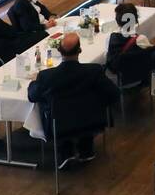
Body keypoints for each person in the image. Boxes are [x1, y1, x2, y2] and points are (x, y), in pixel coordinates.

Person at [27, 31, 119, 168]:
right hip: (91, 121)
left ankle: (66, 151)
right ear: (80, 51)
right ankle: (86, 148)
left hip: (59, 125)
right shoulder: (93, 71)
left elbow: (32, 96)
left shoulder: (47, 76)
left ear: (59, 51)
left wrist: (34, 82)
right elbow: (113, 93)